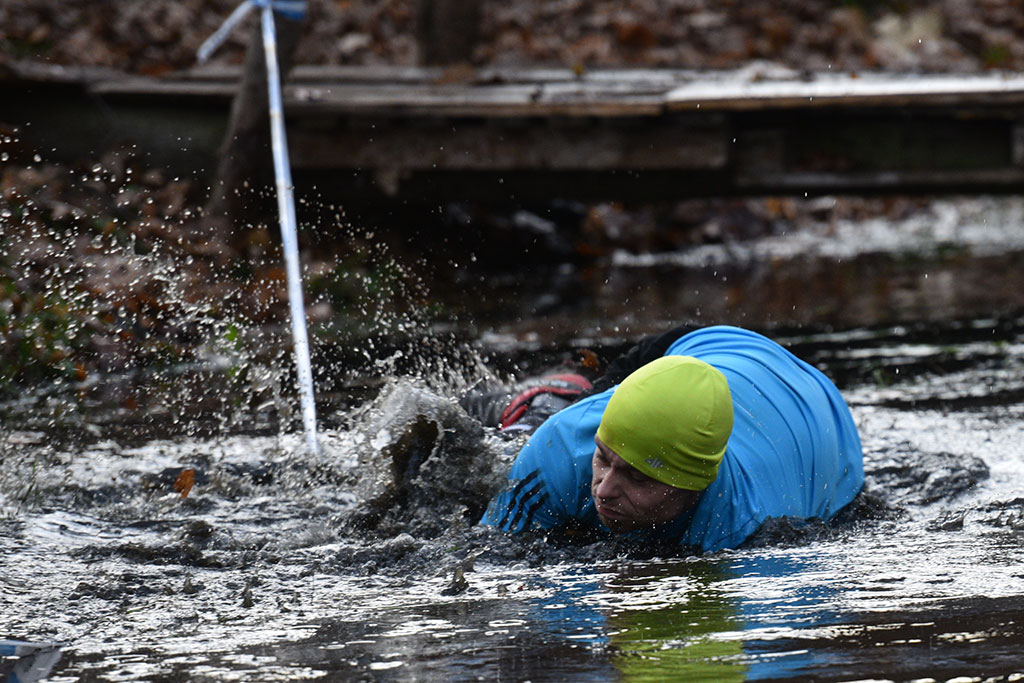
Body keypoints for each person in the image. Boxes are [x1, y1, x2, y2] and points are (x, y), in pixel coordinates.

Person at [471, 325, 865, 552]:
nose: (604, 489)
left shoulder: (745, 527)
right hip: (699, 348)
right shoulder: (561, 447)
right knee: (524, 435)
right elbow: (486, 557)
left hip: (819, 408)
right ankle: (556, 391)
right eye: (604, 459)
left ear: (694, 486)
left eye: (638, 477)